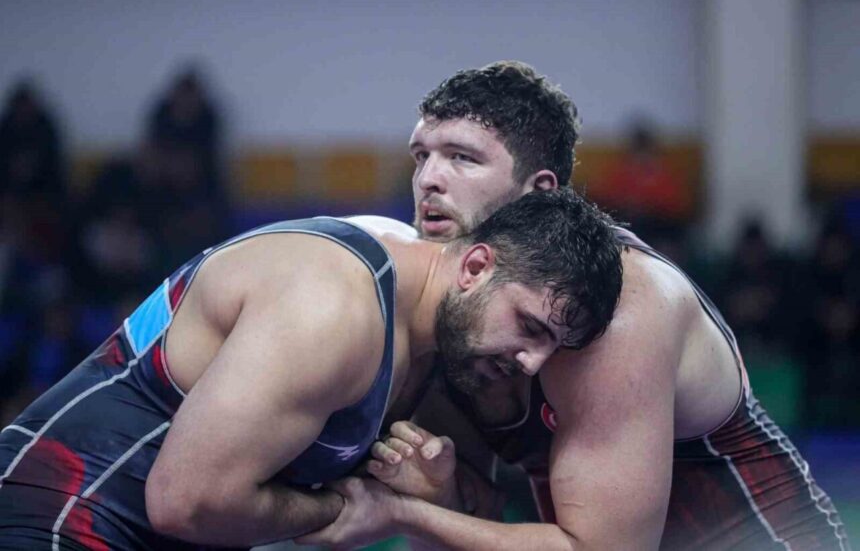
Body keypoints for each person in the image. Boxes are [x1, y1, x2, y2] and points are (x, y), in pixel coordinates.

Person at [297, 61, 852, 550]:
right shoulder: (455, 305)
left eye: (462, 158)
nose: (428, 180)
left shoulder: (616, 303)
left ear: (539, 189)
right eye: (422, 156)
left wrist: (401, 513)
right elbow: (469, 520)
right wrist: (433, 496)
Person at [0, 188, 623, 550]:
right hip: (55, 521)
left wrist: (417, 498)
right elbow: (186, 502)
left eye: (552, 348)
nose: (531, 362)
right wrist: (349, 507)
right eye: (531, 327)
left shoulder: (430, 331)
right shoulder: (336, 307)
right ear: (476, 267)